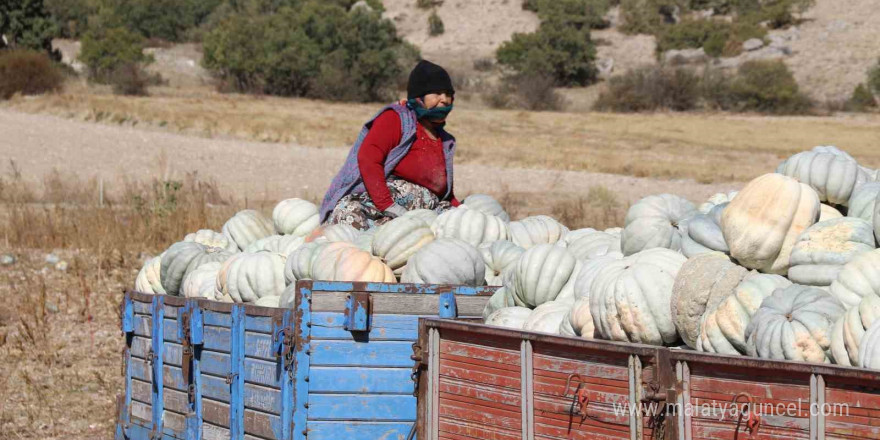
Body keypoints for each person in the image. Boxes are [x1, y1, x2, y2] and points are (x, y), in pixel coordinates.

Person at [319, 60, 461, 230]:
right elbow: (368, 158)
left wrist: (461, 210)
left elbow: (446, 192)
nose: (445, 99)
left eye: (448, 93)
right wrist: (387, 205)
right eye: (437, 93)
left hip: (427, 213)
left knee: (458, 228)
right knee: (349, 216)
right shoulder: (396, 120)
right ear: (419, 97)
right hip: (386, 204)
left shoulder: (445, 141)